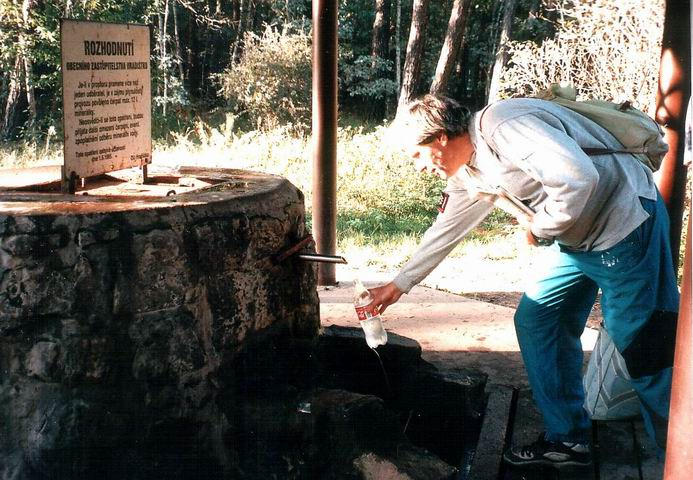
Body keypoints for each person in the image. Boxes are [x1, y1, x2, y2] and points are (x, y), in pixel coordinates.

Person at [367, 94, 679, 468]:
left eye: (416, 155)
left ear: (439, 138)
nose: (417, 167)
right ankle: (568, 440)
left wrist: (539, 225)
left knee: (645, 344)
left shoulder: (504, 125)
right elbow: (446, 229)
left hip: (625, 226)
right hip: (576, 239)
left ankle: (681, 455)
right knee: (538, 320)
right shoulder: (468, 170)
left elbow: (579, 177)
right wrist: (398, 284)